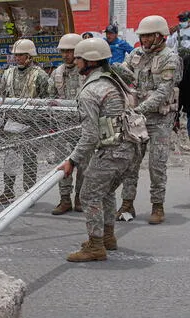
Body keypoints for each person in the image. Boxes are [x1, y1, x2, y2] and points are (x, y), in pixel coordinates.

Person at [58, 38, 140, 262]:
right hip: (131, 150)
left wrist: (72, 161)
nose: (75, 62)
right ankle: (107, 237)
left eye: (78, 58)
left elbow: (90, 136)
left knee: (88, 194)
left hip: (113, 151)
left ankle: (95, 246)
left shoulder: (91, 91)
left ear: (89, 61)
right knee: (105, 192)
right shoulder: (113, 79)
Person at [116, 15, 180, 224]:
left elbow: (164, 91)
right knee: (130, 163)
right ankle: (127, 204)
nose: (143, 40)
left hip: (160, 119)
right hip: (137, 118)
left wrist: (140, 109)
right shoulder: (135, 54)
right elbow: (124, 74)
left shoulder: (170, 58)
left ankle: (157, 206)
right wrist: (114, 70)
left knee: (157, 164)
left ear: (160, 36)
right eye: (142, 36)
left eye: (148, 36)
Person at [0, 39, 50, 204]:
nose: (17, 58)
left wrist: (41, 123)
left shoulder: (40, 75)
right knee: (10, 158)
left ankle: (29, 194)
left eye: (20, 55)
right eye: (16, 55)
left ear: (29, 56)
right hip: (12, 122)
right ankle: (8, 191)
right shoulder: (8, 74)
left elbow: (47, 99)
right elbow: (2, 95)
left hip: (31, 124)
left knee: (29, 160)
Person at [49, 33, 86, 215]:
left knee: (84, 165)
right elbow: (49, 96)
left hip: (83, 126)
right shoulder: (57, 73)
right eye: (63, 51)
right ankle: (65, 199)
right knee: (63, 165)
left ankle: (80, 198)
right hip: (63, 126)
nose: (66, 55)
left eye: (70, 51)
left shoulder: (86, 72)